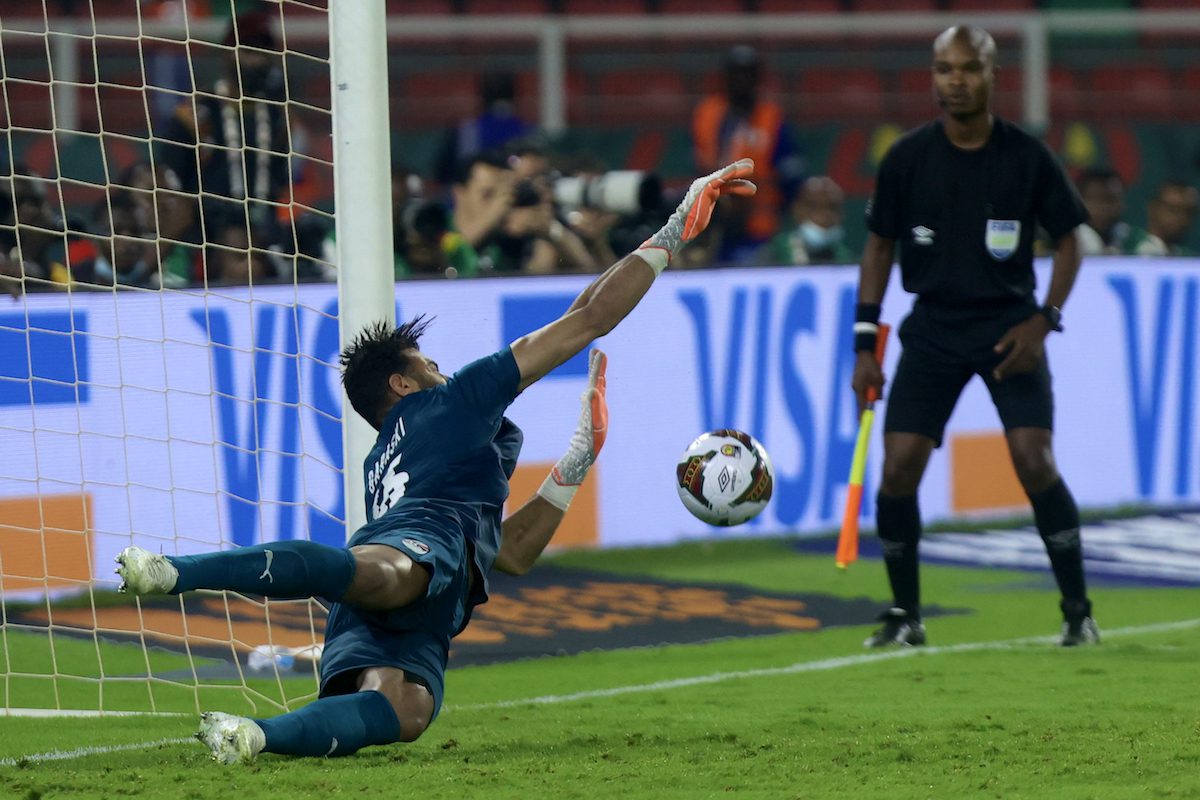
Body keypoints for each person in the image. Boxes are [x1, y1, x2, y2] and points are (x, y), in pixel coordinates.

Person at [115, 159, 757, 764]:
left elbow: (510, 554)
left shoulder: (394, 454)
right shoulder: (453, 404)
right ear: (401, 384)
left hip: (433, 584)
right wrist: (674, 231)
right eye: (426, 363)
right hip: (418, 557)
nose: (439, 368)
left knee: (407, 708)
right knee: (388, 574)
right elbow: (588, 317)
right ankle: (174, 571)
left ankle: (255, 734)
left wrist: (577, 458)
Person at [851, 26, 1097, 650]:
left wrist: (1045, 319)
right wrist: (863, 344)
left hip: (1007, 328)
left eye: (967, 68)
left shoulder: (1026, 155)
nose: (954, 80)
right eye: (943, 69)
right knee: (899, 468)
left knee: (1033, 460)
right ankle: (906, 615)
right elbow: (879, 245)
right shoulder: (907, 158)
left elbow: (1072, 238)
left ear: (993, 76)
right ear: (932, 77)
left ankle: (1078, 612)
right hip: (932, 328)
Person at [692, 45, 804, 264]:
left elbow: (789, 174)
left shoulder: (771, 117)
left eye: (748, 74)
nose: (741, 80)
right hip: (714, 223)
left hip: (758, 227)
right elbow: (699, 164)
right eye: (735, 73)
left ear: (756, 78)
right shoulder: (707, 113)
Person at [761, 175, 855, 266]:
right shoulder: (775, 252)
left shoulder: (848, 259)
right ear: (797, 210)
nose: (825, 215)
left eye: (832, 207)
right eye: (815, 206)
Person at [1074, 167, 1138, 257]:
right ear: (1080, 201)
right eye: (1097, 199)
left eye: (1111, 199)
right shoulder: (1062, 242)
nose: (1104, 207)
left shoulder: (1142, 244)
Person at [1125, 181, 1198, 257]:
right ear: (1152, 208)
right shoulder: (1129, 248)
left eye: (1188, 212)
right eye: (1173, 210)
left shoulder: (1189, 258)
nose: (1182, 218)